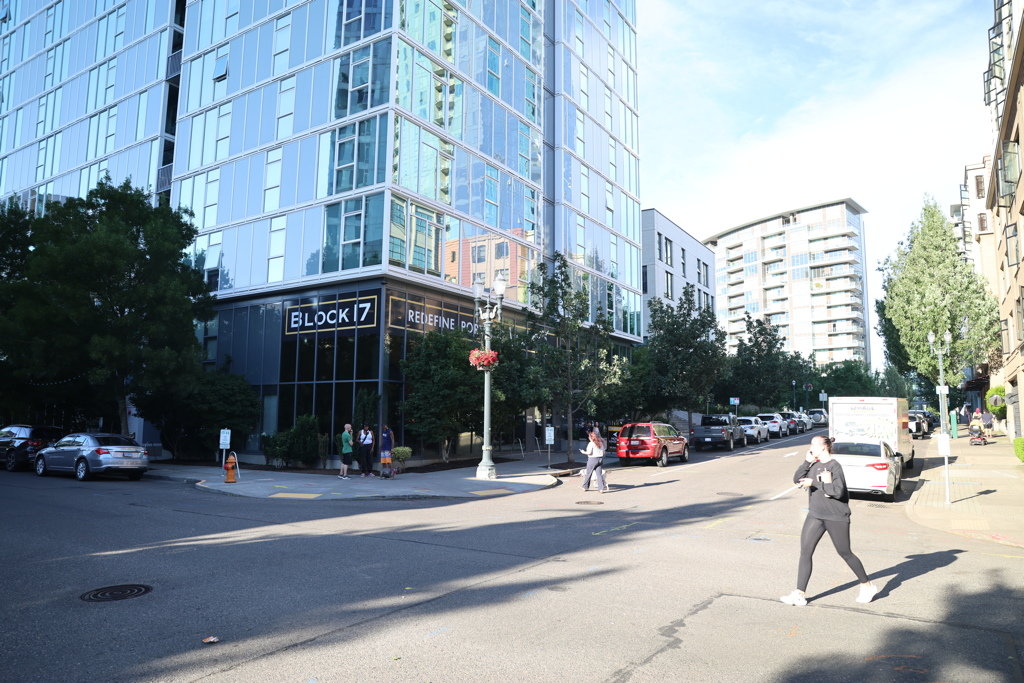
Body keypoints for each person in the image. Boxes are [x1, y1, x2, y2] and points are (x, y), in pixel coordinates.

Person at [780, 435, 878, 607]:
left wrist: (814, 483)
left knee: (845, 552)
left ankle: (867, 586)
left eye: (813, 445)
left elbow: (838, 492)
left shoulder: (834, 466)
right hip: (815, 514)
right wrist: (806, 462)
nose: (810, 448)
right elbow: (797, 479)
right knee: (805, 552)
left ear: (823, 447)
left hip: (836, 516)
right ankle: (799, 594)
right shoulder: (814, 465)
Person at [580, 427, 610, 493]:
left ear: (591, 438)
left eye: (589, 437)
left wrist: (583, 452)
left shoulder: (591, 443)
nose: (589, 438)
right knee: (599, 474)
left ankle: (585, 487)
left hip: (592, 459)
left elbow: (589, 452)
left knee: (588, 474)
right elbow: (604, 451)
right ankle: (601, 488)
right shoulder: (600, 443)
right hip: (600, 459)